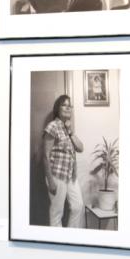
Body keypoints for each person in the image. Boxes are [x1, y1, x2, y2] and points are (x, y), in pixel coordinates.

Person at [44, 95, 85, 227]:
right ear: (58, 108)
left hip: (70, 176)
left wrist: (71, 132)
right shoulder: (53, 126)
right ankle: (57, 241)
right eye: (64, 105)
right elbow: (45, 155)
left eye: (70, 105)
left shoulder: (67, 130)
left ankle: (69, 236)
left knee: (78, 206)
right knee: (57, 212)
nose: (68, 107)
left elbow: (80, 148)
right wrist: (50, 180)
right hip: (57, 175)